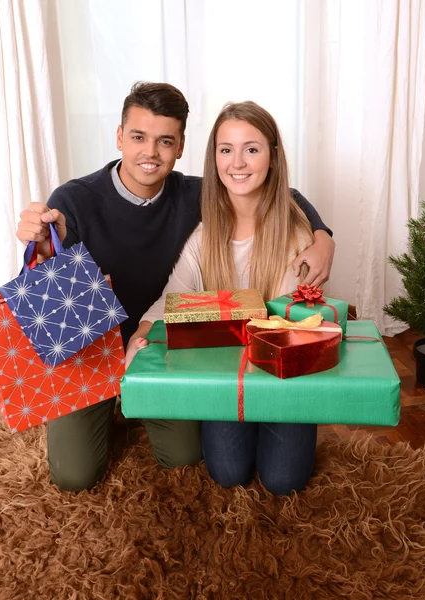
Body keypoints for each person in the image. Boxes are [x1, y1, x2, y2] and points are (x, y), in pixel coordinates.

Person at [16, 82, 334, 492]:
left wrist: (323, 235)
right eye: (138, 137)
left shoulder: (197, 194)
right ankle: (105, 408)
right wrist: (42, 246)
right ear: (119, 137)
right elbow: (46, 288)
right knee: (74, 475)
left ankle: (136, 401)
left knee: (184, 455)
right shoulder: (75, 199)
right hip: (90, 347)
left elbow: (277, 191)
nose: (150, 152)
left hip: (156, 345)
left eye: (165, 141)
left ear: (181, 146)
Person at [127, 101, 320, 495]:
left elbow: (295, 328)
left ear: (273, 157)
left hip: (281, 378)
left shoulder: (298, 235)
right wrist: (141, 332)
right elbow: (173, 297)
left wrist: (326, 238)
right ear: (214, 157)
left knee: (284, 480)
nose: (238, 163)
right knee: (227, 471)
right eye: (226, 149)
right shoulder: (204, 236)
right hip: (225, 375)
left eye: (252, 149)